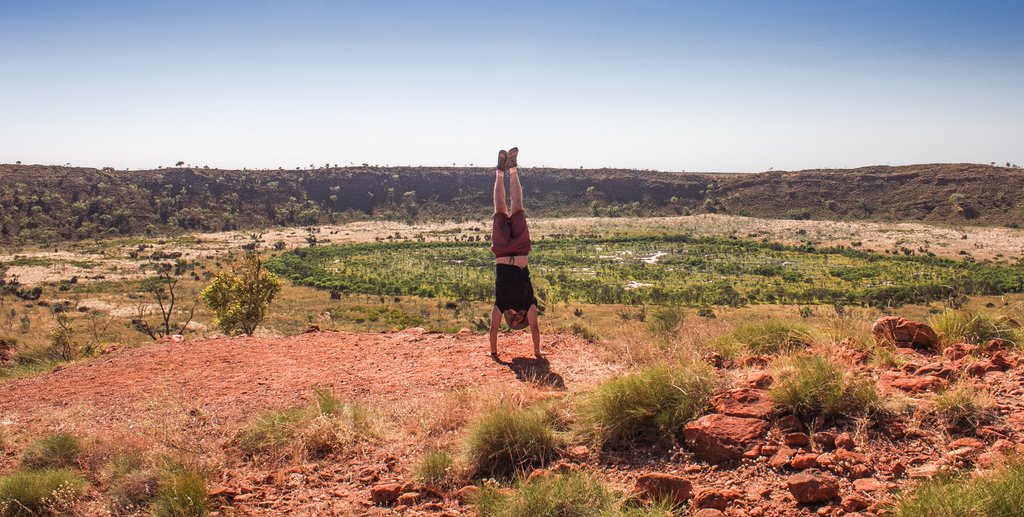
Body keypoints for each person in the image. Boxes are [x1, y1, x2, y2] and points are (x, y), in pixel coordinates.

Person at [489, 147, 541, 358]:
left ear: (510, 320)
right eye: (522, 321)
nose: (518, 319)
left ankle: (500, 171)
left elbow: (493, 330)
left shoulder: (500, 305)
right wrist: (537, 353)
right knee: (517, 207)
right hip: (520, 250)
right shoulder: (529, 304)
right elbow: (535, 329)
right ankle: (513, 169)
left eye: (516, 322)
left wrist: (494, 354)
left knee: (500, 208)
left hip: (502, 253)